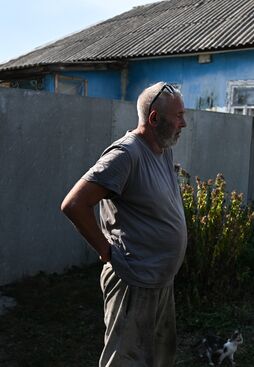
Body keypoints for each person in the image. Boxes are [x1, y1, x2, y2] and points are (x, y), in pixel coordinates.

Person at [61, 82, 187, 367]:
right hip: (133, 283)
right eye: (178, 116)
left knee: (158, 358)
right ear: (154, 118)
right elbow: (74, 204)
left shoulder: (163, 149)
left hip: (160, 282)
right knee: (125, 361)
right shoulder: (125, 154)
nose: (184, 123)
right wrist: (106, 251)